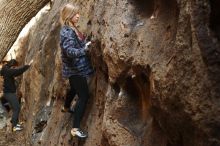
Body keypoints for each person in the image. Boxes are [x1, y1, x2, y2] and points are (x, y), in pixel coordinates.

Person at [59, 4, 94, 138]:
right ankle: (75, 128)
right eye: (75, 14)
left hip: (73, 69)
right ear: (69, 15)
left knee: (73, 88)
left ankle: (66, 107)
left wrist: (85, 41)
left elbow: (77, 42)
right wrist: (84, 50)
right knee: (84, 96)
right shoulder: (67, 31)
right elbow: (69, 51)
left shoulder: (71, 28)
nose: (78, 16)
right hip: (76, 70)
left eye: (78, 13)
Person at [0, 59, 32, 132]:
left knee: (15, 108)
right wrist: (27, 66)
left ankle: (15, 123)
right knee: (17, 108)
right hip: (9, 93)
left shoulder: (5, 69)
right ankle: (14, 127)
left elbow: (10, 72)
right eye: (14, 67)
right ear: (12, 66)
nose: (15, 68)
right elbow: (18, 72)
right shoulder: (9, 71)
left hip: (7, 93)